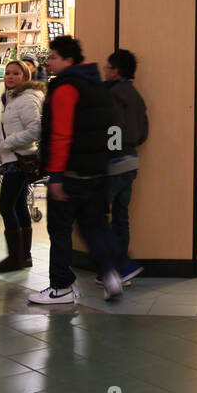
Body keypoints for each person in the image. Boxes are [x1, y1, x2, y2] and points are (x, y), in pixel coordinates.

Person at [29, 36, 123, 304]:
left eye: (54, 57)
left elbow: (61, 134)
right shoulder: (98, 86)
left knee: (59, 230)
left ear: (69, 60)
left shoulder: (65, 88)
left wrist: (56, 175)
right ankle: (111, 274)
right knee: (94, 227)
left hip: (70, 174)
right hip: (96, 171)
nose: (49, 62)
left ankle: (60, 287)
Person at [0, 59, 43, 272]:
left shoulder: (26, 100)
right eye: (8, 73)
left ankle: (15, 257)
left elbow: (35, 129)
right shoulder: (13, 98)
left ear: (25, 76)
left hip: (18, 159)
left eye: (15, 73)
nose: (10, 76)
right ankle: (24, 256)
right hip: (13, 158)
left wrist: (7, 142)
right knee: (19, 205)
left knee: (6, 206)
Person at [101, 49, 147, 286]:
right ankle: (122, 271)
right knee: (121, 216)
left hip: (114, 164)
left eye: (107, 67)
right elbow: (143, 131)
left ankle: (117, 267)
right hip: (131, 162)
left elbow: (113, 127)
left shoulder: (112, 94)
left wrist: (109, 152)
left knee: (97, 216)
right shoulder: (135, 96)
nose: (104, 71)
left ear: (115, 71)